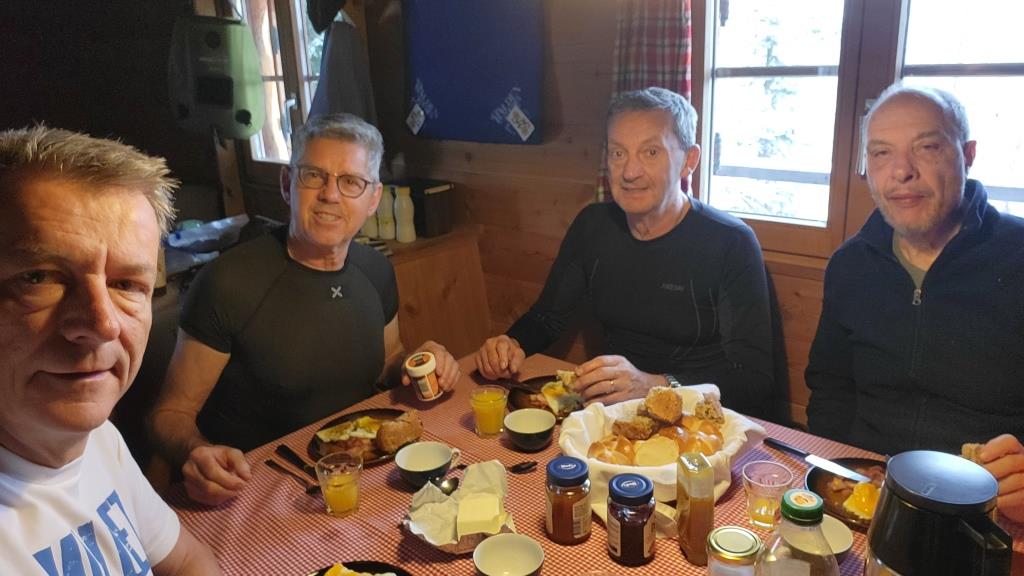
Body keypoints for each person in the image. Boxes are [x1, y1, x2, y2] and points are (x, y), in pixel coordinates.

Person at [149, 113, 459, 507]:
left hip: (360, 473)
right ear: (287, 184)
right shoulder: (227, 282)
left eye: (351, 182)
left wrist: (420, 363)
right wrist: (197, 453)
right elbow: (169, 415)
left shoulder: (376, 270)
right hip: (254, 488)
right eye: (314, 176)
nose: (330, 194)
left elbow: (388, 360)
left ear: (373, 199)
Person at [474, 87, 774, 417]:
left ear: (689, 161)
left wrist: (654, 385)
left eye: (651, 152)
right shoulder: (592, 226)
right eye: (618, 153)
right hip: (612, 411)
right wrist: (511, 344)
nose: (630, 172)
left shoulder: (730, 241)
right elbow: (547, 318)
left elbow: (752, 379)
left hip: (700, 420)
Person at [0, 126, 221, 573]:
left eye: (126, 284)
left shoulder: (99, 440)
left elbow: (186, 561)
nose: (103, 324)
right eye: (39, 277)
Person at [805, 83, 1024, 523]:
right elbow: (830, 389)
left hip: (990, 510)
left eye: (927, 147)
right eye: (881, 153)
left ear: (968, 154)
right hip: (864, 497)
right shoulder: (850, 265)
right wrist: (841, 476)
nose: (901, 171)